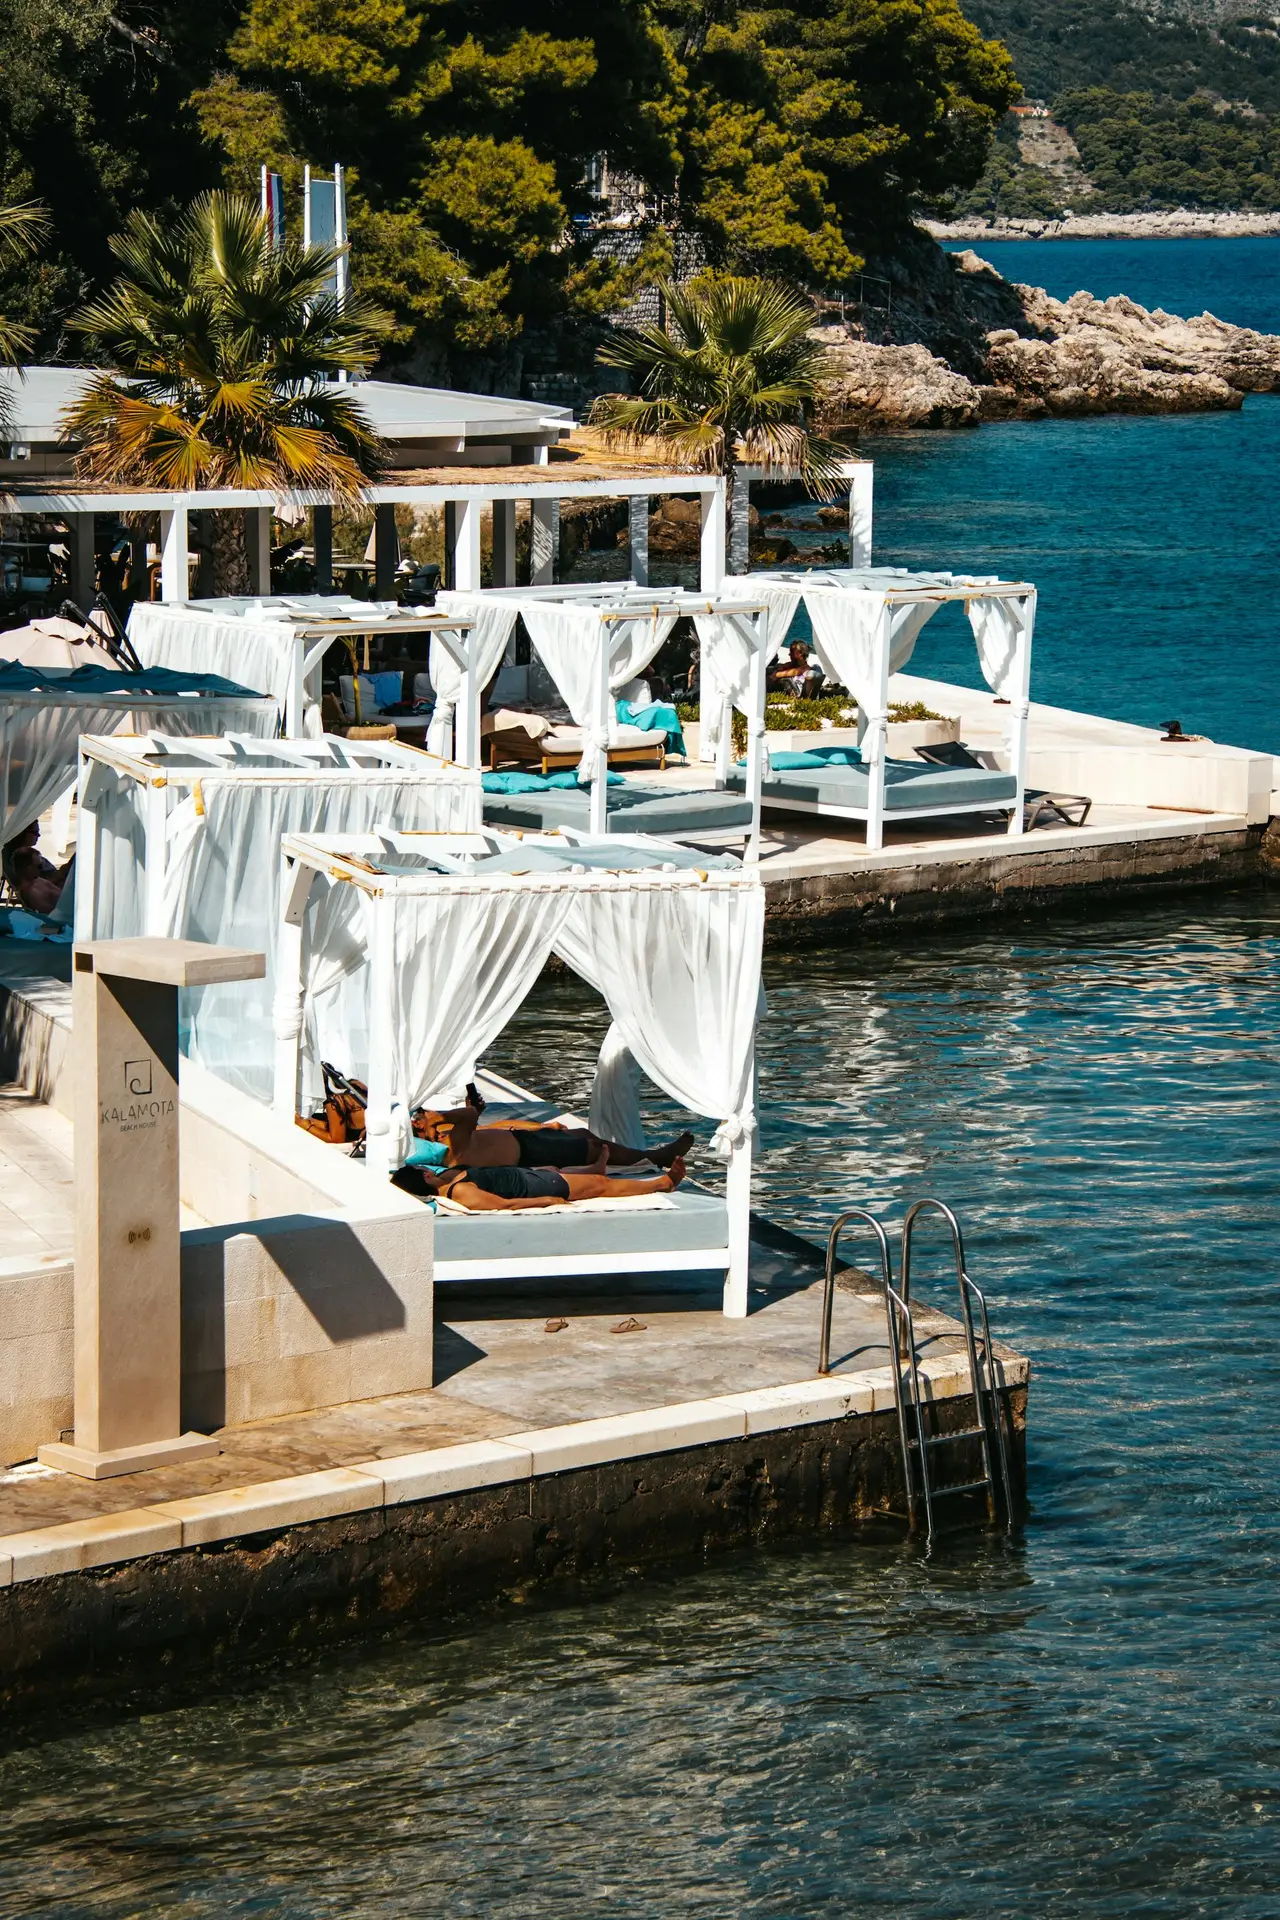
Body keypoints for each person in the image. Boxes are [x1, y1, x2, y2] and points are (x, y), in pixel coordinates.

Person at [417, 1093, 694, 1172]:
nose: (421, 1118)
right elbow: (469, 1116)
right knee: (594, 1150)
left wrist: (541, 1126)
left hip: (527, 1142)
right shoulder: (452, 1149)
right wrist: (437, 1117)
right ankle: (656, 1158)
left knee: (585, 1135)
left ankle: (651, 1156)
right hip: (531, 1153)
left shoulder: (452, 1141)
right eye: (419, 1121)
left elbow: (486, 1128)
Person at [406, 1154, 687, 1212]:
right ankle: (663, 1183)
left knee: (586, 1174)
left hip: (528, 1175)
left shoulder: (447, 1178)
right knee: (601, 1185)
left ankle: (661, 1181)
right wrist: (547, 1201)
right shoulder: (462, 1192)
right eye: (422, 1170)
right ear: (426, 1177)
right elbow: (506, 1204)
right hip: (537, 1187)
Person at [3, 824, 72, 916]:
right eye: (39, 866)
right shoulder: (33, 893)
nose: (40, 869)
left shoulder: (37, 881)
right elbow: (53, 917)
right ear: (28, 868)